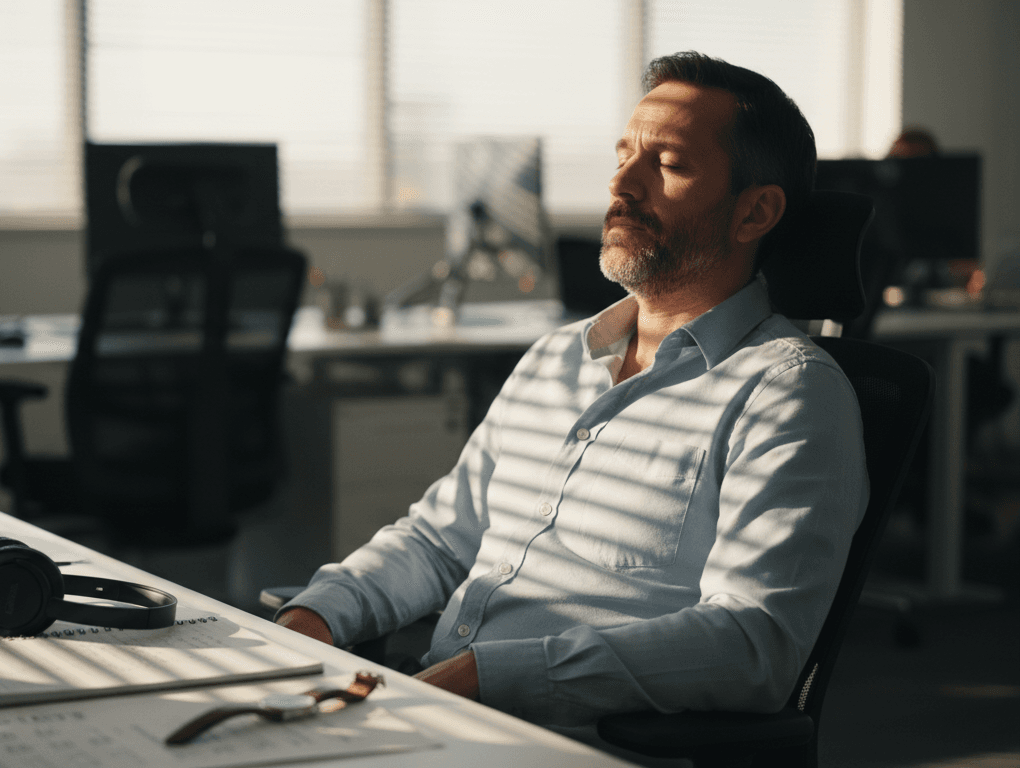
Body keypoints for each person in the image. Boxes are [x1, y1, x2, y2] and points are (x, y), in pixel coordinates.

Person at [277, 51, 870, 735]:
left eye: (668, 165)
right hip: (434, 715)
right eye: (623, 157)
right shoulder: (558, 357)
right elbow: (442, 541)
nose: (621, 183)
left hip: (559, 740)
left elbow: (752, 642)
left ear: (754, 212)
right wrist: (315, 616)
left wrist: (483, 676)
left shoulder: (787, 394)